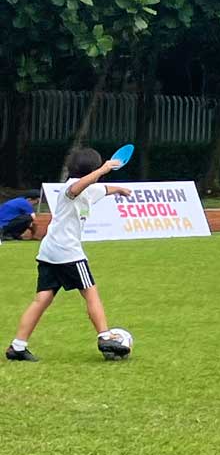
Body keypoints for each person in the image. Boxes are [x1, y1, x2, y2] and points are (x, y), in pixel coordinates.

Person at [6, 149, 133, 362]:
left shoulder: (91, 189)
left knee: (42, 299)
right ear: (93, 169)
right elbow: (77, 187)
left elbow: (102, 189)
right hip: (67, 252)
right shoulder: (70, 187)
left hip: (49, 251)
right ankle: (104, 336)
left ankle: (17, 347)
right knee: (91, 292)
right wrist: (104, 169)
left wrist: (119, 189)